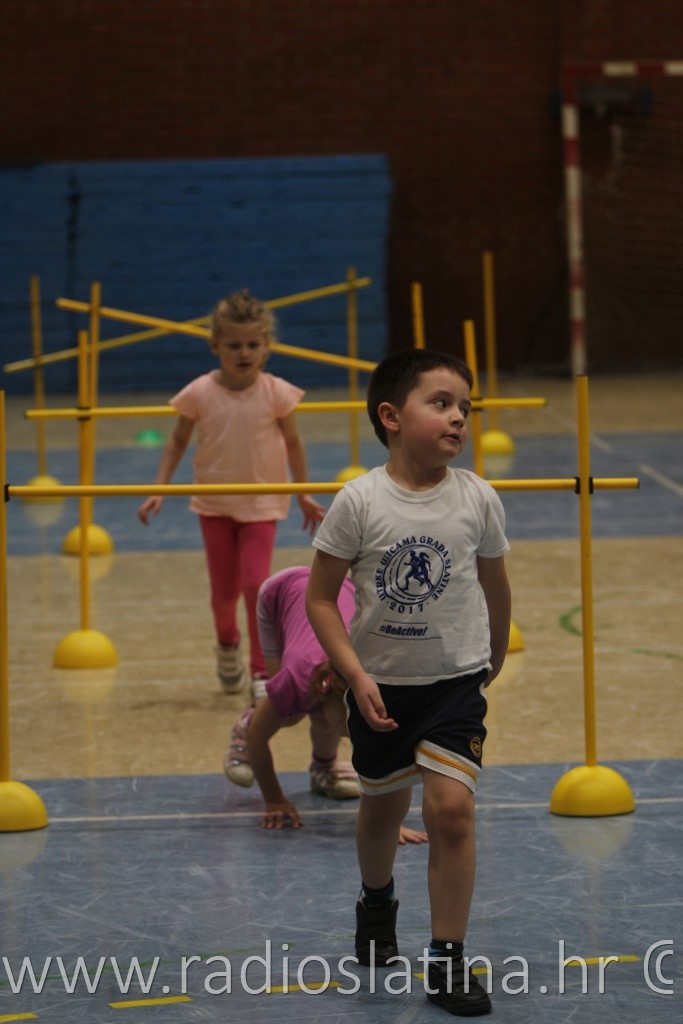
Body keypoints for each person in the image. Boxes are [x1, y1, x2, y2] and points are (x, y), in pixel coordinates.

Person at [306, 349, 511, 1016]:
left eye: (465, 407)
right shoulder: (358, 501)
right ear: (391, 417)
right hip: (380, 688)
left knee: (450, 812)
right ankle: (376, 902)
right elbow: (319, 599)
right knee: (382, 810)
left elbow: (494, 582)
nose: (458, 418)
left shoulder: (478, 497)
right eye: (441, 403)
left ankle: (447, 960)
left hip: (454, 684)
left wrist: (493, 651)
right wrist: (353, 673)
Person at [138, 290, 325, 697]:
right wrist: (159, 488)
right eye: (234, 345)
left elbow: (294, 443)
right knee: (223, 594)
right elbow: (177, 441)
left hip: (261, 503)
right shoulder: (199, 392)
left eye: (253, 345)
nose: (244, 353)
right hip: (215, 504)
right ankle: (227, 644)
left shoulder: (277, 392)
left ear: (267, 346)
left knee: (256, 585)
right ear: (215, 346)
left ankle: (261, 670)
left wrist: (303, 493)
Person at [223, 566, 428, 845]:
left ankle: (323, 766)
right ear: (325, 688)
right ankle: (246, 722)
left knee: (326, 717)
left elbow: (382, 759)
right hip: (281, 592)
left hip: (341, 588)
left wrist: (389, 822)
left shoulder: (373, 684)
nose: (350, 736)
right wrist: (274, 799)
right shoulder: (295, 680)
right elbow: (258, 739)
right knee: (287, 712)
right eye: (348, 727)